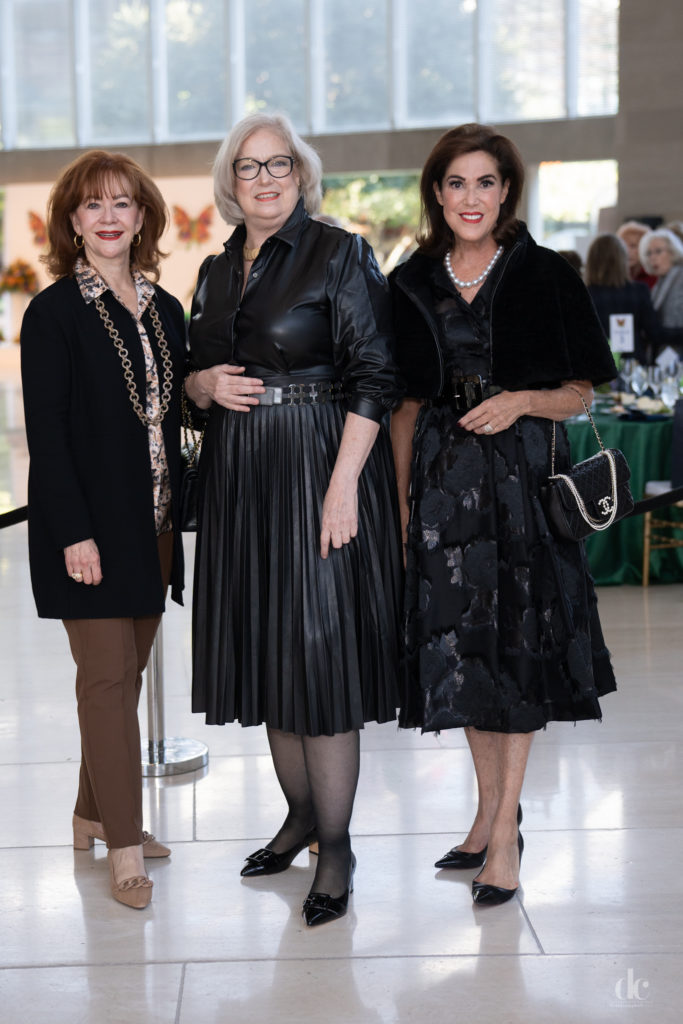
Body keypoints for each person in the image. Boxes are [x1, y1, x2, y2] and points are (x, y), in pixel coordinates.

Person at [390, 124, 617, 907]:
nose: (470, 198)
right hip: (441, 488)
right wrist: (397, 505)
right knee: (462, 656)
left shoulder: (545, 274)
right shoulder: (411, 278)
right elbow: (402, 406)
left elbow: (583, 392)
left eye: (485, 182)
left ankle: (507, 839)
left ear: (507, 192)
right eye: (455, 183)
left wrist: (520, 399)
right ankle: (488, 813)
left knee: (515, 657)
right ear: (436, 194)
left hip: (520, 486)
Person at [186, 112, 403, 927]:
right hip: (242, 479)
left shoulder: (338, 252)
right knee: (269, 649)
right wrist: (202, 389)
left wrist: (345, 485)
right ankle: (300, 816)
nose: (266, 179)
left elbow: (375, 374)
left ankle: (337, 844)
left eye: (280, 164)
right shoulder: (211, 272)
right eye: (249, 167)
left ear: (302, 175)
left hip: (320, 464)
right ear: (230, 183)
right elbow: (188, 382)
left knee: (321, 653)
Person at [20, 150, 186, 910]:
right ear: (72, 222)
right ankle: (124, 844)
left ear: (144, 216)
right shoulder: (51, 313)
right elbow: (46, 437)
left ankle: (93, 811)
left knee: (126, 678)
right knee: (107, 680)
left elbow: (176, 410)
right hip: (83, 531)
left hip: (150, 526)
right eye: (93, 206)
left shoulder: (164, 308)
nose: (110, 217)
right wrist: (73, 534)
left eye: (123, 203)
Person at [585, 233, 660, 364]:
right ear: (622, 259)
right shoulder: (639, 290)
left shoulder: (584, 294)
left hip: (596, 367)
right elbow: (654, 332)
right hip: (634, 367)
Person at [639, 228, 683, 350]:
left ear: (673, 251)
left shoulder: (680, 276)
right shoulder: (660, 281)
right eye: (648, 253)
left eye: (658, 251)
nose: (652, 257)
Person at [616, 221, 657, 288]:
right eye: (623, 246)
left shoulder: (654, 277)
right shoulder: (615, 277)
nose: (627, 251)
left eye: (633, 246)